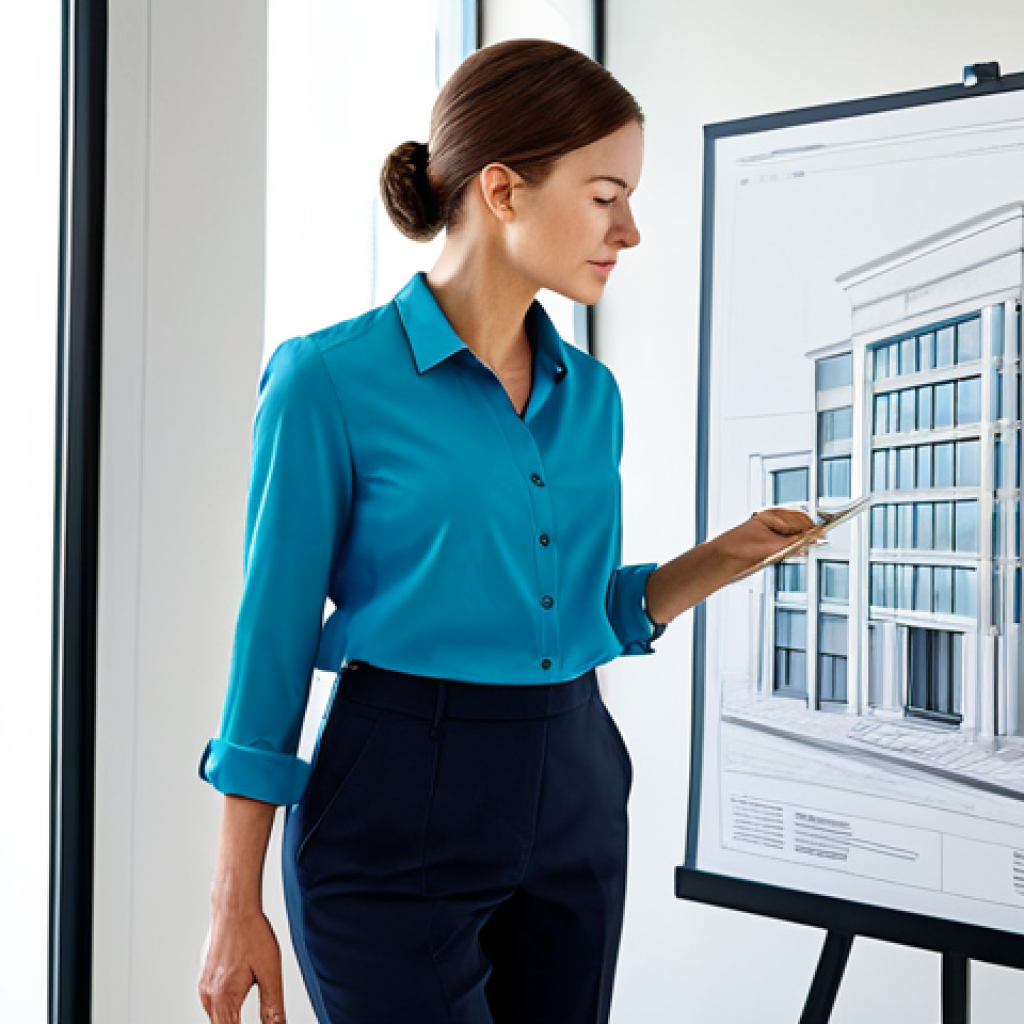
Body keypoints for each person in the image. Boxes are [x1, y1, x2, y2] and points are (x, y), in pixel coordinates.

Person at [197, 37, 818, 1024]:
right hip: (392, 804)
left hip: (571, 782)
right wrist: (235, 900)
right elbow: (268, 648)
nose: (630, 230)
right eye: (606, 194)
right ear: (501, 190)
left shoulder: (591, 396)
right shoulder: (326, 381)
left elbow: (574, 612)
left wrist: (722, 557)